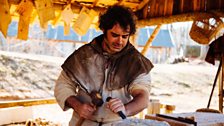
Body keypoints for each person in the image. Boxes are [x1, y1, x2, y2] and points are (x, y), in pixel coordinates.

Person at [54, 5, 153, 126]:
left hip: (115, 123)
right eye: (115, 35)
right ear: (104, 30)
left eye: (125, 36)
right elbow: (63, 85)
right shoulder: (84, 55)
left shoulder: (136, 62)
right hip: (83, 122)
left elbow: (143, 97)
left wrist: (126, 109)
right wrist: (78, 105)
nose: (120, 41)